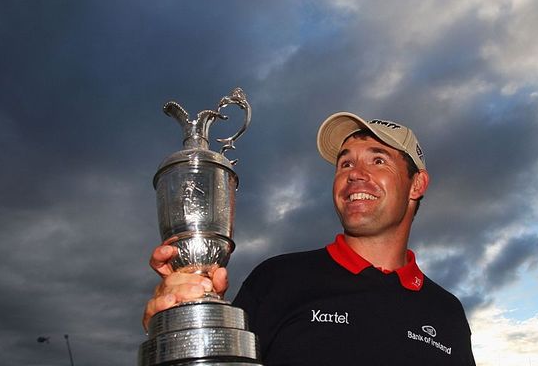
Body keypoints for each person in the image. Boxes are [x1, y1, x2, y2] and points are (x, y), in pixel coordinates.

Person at [144, 112, 476, 365]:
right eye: (345, 163)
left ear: (416, 185)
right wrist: (179, 327)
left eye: (378, 160)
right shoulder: (277, 279)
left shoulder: (447, 312)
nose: (355, 174)